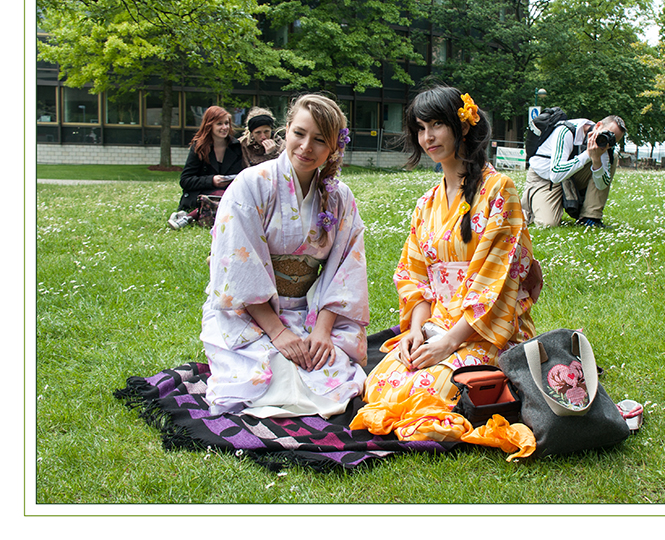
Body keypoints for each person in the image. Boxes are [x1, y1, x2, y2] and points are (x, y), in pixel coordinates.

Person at [351, 86, 541, 439]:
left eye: (437, 124)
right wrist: (416, 332)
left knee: (435, 388)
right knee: (380, 381)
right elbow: (415, 277)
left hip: (487, 330)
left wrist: (451, 341)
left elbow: (496, 283)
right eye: (421, 128)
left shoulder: (499, 189)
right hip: (437, 325)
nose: (428, 137)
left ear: (463, 126)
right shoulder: (426, 203)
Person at [200, 93, 369, 418]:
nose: (307, 147)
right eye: (299, 134)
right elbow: (238, 268)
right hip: (249, 312)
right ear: (286, 130)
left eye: (320, 140)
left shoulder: (339, 197)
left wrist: (321, 331)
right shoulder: (250, 186)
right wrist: (278, 333)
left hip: (309, 309)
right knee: (268, 372)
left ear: (334, 146)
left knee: (325, 365)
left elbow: (346, 268)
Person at [520, 115, 626, 228]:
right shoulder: (566, 131)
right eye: (606, 134)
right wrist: (588, 155)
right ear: (598, 125)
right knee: (547, 224)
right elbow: (556, 174)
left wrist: (596, 161)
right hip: (545, 177)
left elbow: (601, 186)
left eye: (612, 140)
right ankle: (529, 205)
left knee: (612, 157)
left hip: (570, 176)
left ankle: (590, 218)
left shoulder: (605, 146)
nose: (606, 140)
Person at [168, 106, 245, 229]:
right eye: (219, 124)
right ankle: (187, 217)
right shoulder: (199, 148)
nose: (224, 127)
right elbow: (185, 180)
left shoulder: (236, 147)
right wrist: (212, 180)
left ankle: (188, 217)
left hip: (228, 194)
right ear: (209, 125)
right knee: (219, 196)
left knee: (228, 197)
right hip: (201, 194)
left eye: (226, 123)